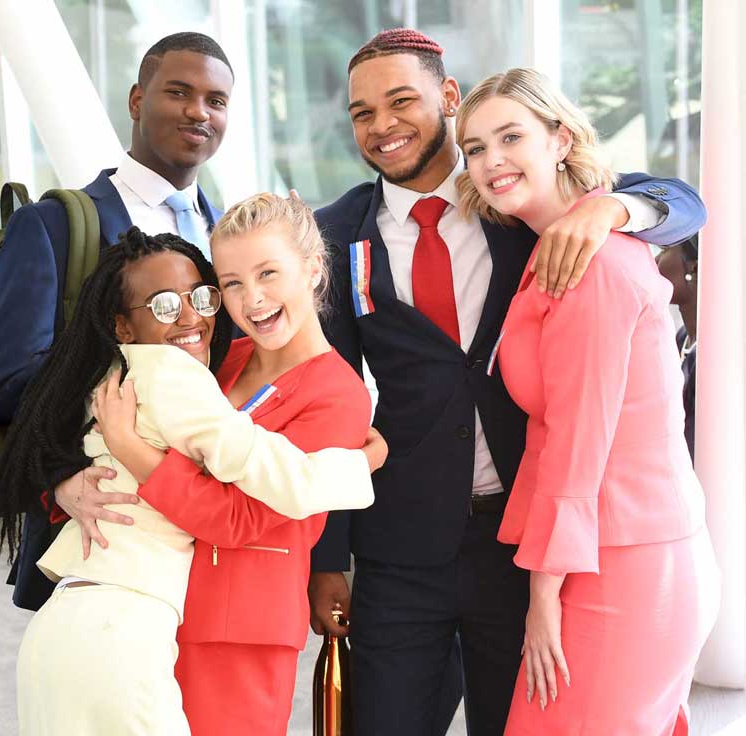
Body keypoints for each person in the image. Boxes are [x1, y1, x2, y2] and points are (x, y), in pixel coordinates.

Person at [307, 28, 708, 736]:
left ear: (448, 99)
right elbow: (330, 403)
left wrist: (611, 208)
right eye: (361, 113)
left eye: (401, 101)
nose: (382, 125)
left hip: (519, 544)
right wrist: (327, 556)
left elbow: (677, 200)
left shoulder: (521, 213)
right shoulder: (336, 236)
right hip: (400, 543)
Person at [0, 226, 382, 734]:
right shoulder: (205, 362)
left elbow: (240, 517)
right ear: (122, 326)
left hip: (231, 628)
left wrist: (128, 448)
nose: (249, 299)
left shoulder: (337, 392)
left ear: (312, 269)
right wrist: (364, 463)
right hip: (146, 617)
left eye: (267, 274)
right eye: (233, 283)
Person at [455, 67, 719, 736]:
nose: (489, 161)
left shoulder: (588, 261)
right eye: (474, 147)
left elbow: (577, 439)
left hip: (620, 564)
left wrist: (542, 596)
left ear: (559, 138)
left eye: (508, 136)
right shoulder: (559, 245)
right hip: (610, 551)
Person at [0, 32, 235, 610]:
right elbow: (1, 384)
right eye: (179, 92)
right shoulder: (56, 227)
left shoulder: (224, 236)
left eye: (216, 101)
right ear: (138, 101)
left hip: (207, 544)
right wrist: (69, 467)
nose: (199, 111)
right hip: (97, 531)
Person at [657, 234, 699, 461]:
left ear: (693, 267)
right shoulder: (681, 337)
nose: (655, 260)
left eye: (664, 250)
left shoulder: (714, 356)